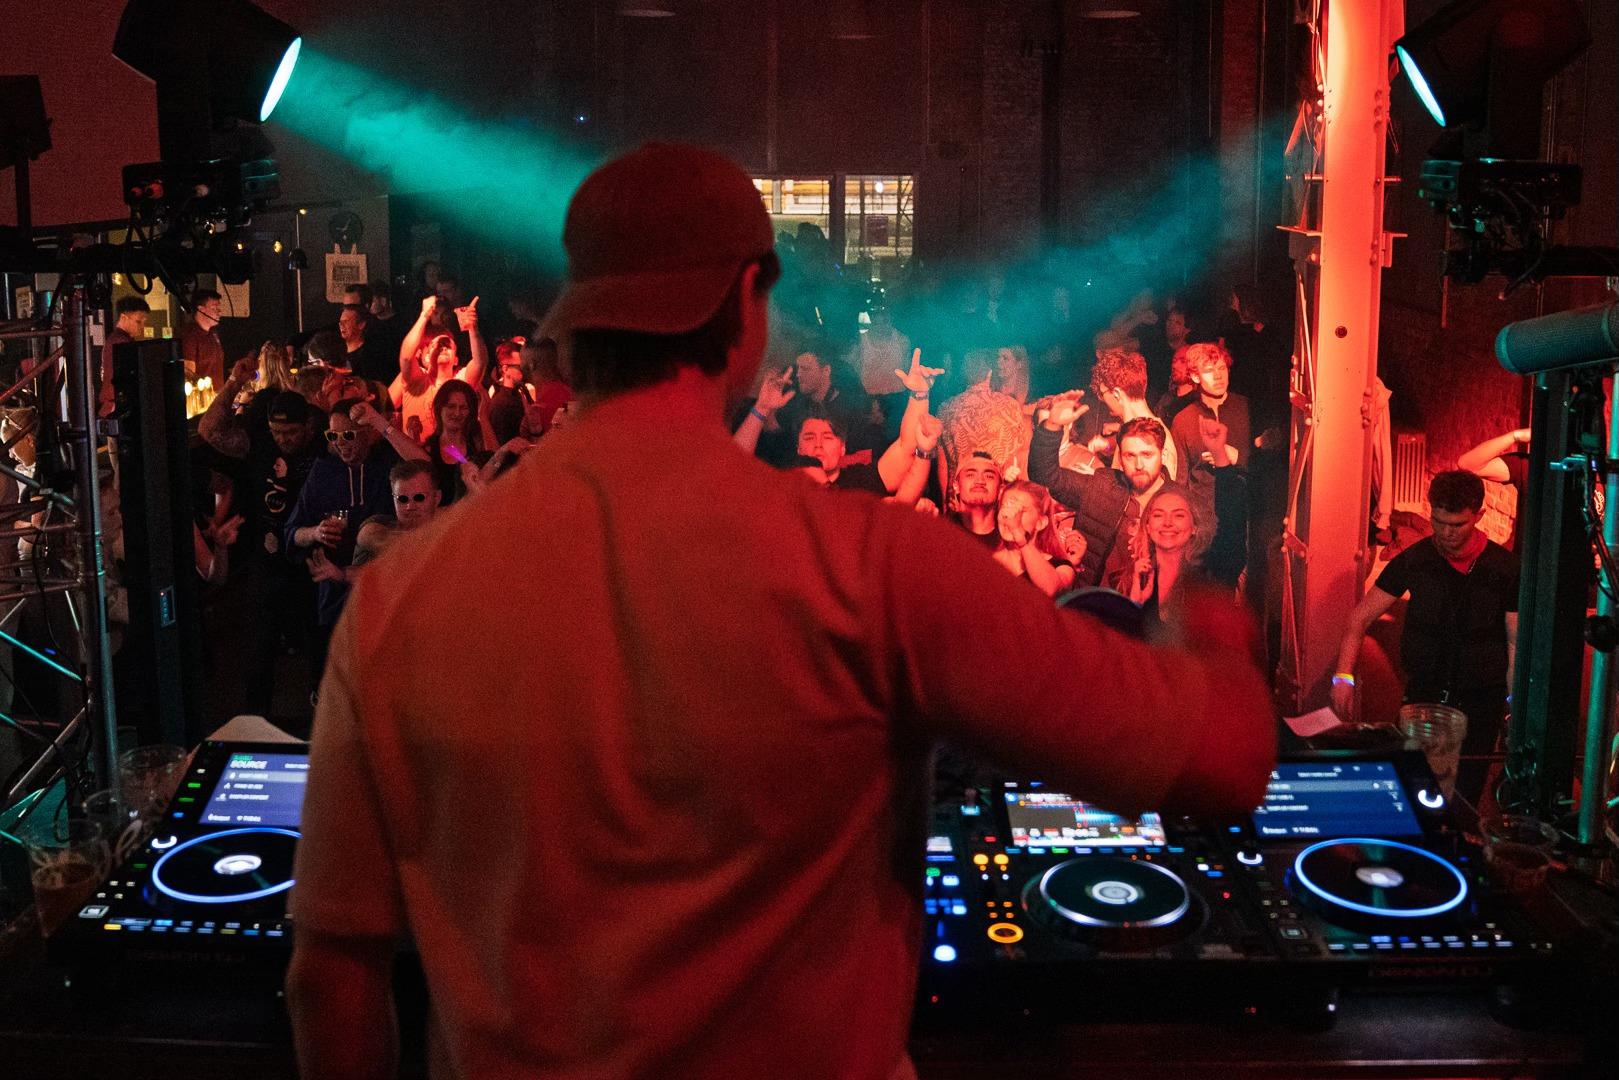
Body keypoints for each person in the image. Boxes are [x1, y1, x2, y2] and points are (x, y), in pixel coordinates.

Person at [288, 143, 1275, 1080]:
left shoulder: (396, 599)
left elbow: (331, 983)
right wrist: (1211, 623)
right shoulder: (869, 564)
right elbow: (1223, 760)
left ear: (576, 321)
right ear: (747, 302)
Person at [1330, 471, 1518, 797]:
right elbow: (1359, 618)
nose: (1446, 533)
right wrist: (1343, 677)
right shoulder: (1415, 560)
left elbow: (1515, 643)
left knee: (1465, 792)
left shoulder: (1505, 568)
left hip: (1480, 699)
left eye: (1457, 525)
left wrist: (1514, 705)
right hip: (1424, 691)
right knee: (1412, 782)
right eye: (1438, 522)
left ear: (1479, 516)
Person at [308, 459, 443, 587]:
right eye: (402, 499)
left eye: (419, 498)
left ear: (436, 498)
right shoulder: (379, 525)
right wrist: (341, 574)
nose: (410, 506)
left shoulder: (446, 534)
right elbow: (371, 540)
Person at [393, 294, 489, 440]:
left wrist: (472, 328)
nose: (443, 347)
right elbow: (406, 357)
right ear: (425, 357)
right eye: (436, 345)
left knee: (454, 452)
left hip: (452, 450)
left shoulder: (460, 382)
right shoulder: (417, 380)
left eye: (447, 345)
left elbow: (480, 362)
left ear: (455, 360)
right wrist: (424, 316)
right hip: (414, 452)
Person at [992, 480, 1075, 597]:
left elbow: (1050, 589)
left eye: (1020, 511)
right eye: (1005, 507)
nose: (1009, 515)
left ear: (1040, 522)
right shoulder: (988, 556)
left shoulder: (1061, 567)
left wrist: (1020, 536)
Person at [100, 295, 149, 417]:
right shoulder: (121, 342)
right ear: (123, 317)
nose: (142, 327)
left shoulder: (117, 339)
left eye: (144, 322)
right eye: (138, 321)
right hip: (115, 406)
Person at [178, 289, 226, 386]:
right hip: (204, 394)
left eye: (219, 308)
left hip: (218, 393)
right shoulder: (190, 336)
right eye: (214, 308)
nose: (219, 312)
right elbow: (189, 376)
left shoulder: (213, 333)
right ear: (201, 309)